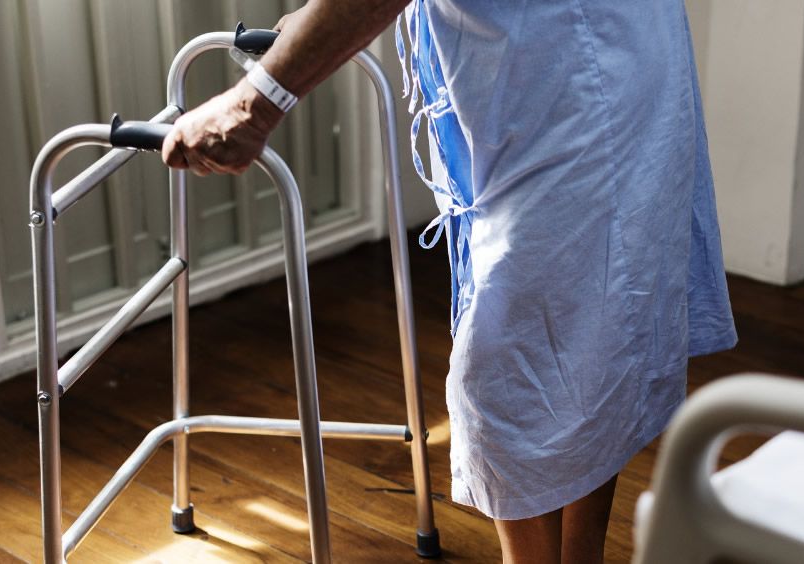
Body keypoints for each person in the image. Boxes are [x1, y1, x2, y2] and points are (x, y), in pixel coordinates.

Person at [161, 1, 737, 562]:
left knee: (535, 357)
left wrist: (255, 102)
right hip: (574, 56)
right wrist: (320, 23)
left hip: (574, 73)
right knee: (591, 333)